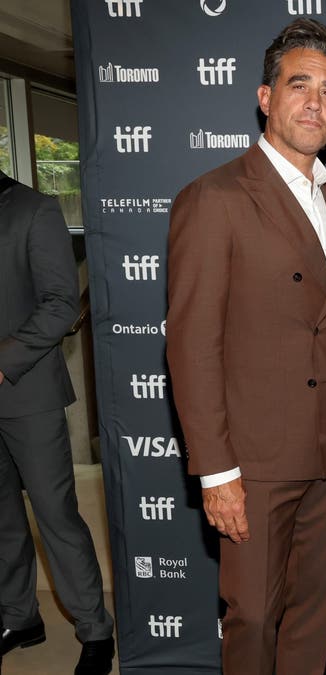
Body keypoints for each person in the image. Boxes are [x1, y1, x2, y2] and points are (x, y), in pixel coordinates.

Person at [166, 19, 326, 675]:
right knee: (250, 617)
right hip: (254, 461)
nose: (315, 102)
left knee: (313, 613)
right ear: (265, 97)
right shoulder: (214, 197)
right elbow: (192, 344)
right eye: (299, 84)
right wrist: (217, 472)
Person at [0, 171, 115, 674]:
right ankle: (20, 619)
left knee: (55, 515)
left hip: (29, 394)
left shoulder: (33, 210)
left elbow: (61, 303)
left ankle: (95, 629)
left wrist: (2, 363)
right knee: (2, 520)